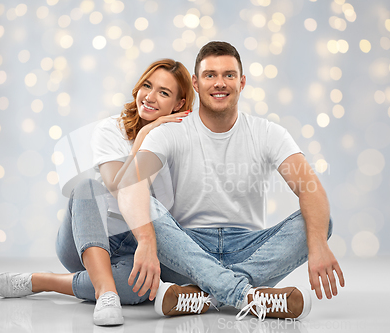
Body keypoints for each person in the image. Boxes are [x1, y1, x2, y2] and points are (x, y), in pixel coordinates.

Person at [116, 41, 345, 321]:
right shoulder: (171, 131)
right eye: (210, 75)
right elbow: (130, 184)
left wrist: (319, 245)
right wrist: (147, 240)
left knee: (320, 222)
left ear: (242, 82)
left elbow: (311, 189)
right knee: (145, 204)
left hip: (251, 250)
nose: (220, 83)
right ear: (196, 83)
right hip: (187, 250)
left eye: (229, 75)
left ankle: (205, 296)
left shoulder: (268, 133)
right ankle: (247, 296)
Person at [0, 59, 204, 326]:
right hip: (88, 236)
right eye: (147, 86)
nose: (149, 97)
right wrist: (143, 137)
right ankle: (106, 294)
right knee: (87, 187)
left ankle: (46, 281)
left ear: (179, 104)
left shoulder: (184, 143)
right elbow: (118, 186)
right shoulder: (111, 130)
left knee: (140, 287)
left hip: (137, 247)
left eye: (164, 92)